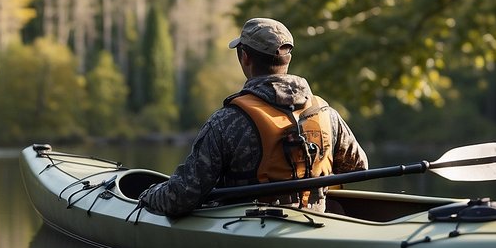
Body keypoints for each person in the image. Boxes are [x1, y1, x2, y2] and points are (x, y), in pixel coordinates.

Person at [139, 17, 368, 217]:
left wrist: (148, 195)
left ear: (245, 57)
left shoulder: (227, 121)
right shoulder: (327, 114)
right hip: (317, 221)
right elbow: (358, 168)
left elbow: (181, 197)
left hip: (249, 231)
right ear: (287, 59)